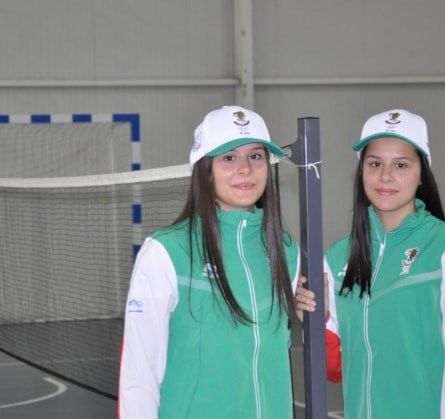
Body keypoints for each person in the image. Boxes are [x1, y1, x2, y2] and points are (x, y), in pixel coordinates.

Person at [118, 105, 305, 419]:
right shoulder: (166, 252)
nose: (245, 169)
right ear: (205, 169)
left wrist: (313, 315)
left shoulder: (285, 250)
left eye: (255, 156)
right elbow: (140, 373)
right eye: (229, 158)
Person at [321, 109, 445, 418]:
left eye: (401, 165)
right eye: (375, 164)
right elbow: (333, 367)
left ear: (422, 173)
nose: (385, 176)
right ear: (361, 171)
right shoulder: (337, 258)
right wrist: (311, 319)